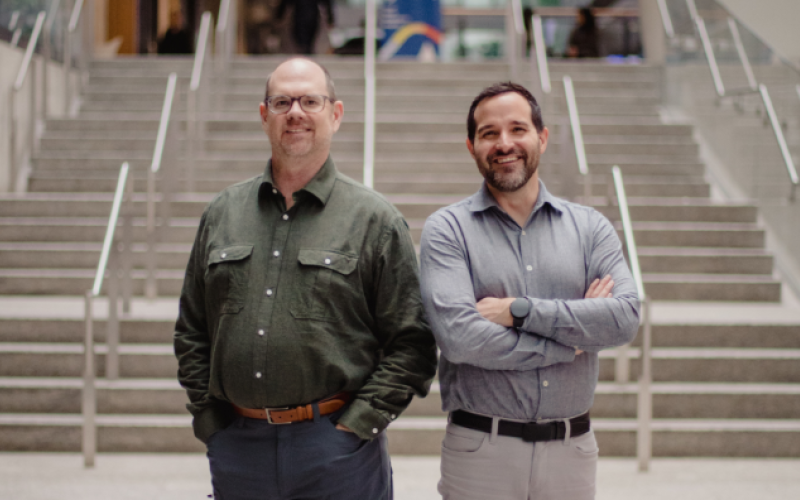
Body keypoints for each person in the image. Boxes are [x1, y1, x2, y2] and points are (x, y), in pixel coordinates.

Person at [174, 57, 438, 500]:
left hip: (336, 453)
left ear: (335, 114)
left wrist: (357, 426)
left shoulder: (375, 219)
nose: (295, 112)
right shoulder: (222, 213)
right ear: (264, 117)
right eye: (281, 101)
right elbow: (192, 329)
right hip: (240, 449)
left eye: (309, 101)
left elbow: (412, 342)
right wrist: (211, 423)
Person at [419, 82, 640, 500]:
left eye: (518, 129)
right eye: (489, 134)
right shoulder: (448, 230)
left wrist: (519, 311)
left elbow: (624, 318)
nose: (505, 144)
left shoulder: (590, 228)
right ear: (471, 146)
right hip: (480, 451)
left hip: (571, 451)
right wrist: (568, 341)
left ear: (542, 136)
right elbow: (460, 339)